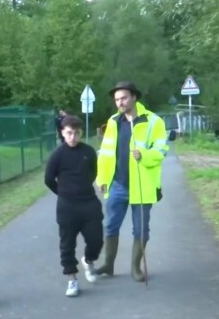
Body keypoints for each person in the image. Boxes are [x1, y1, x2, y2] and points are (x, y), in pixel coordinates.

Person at [94, 81, 169, 282]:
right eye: (117, 99)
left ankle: (136, 267)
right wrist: (101, 178)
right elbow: (106, 153)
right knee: (110, 226)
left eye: (124, 97)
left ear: (134, 97)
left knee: (141, 229)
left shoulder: (153, 121)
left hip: (142, 185)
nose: (120, 102)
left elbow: (162, 151)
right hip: (116, 184)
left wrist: (144, 154)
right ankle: (108, 265)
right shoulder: (113, 121)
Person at [44, 115, 104, 297]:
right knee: (67, 245)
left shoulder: (89, 151)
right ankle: (72, 279)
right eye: (69, 133)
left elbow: (94, 172)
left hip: (89, 203)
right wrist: (64, 193)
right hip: (67, 206)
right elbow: (48, 180)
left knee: (96, 240)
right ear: (62, 133)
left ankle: (89, 259)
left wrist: (82, 189)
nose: (73, 137)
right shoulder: (57, 155)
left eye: (76, 133)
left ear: (81, 133)